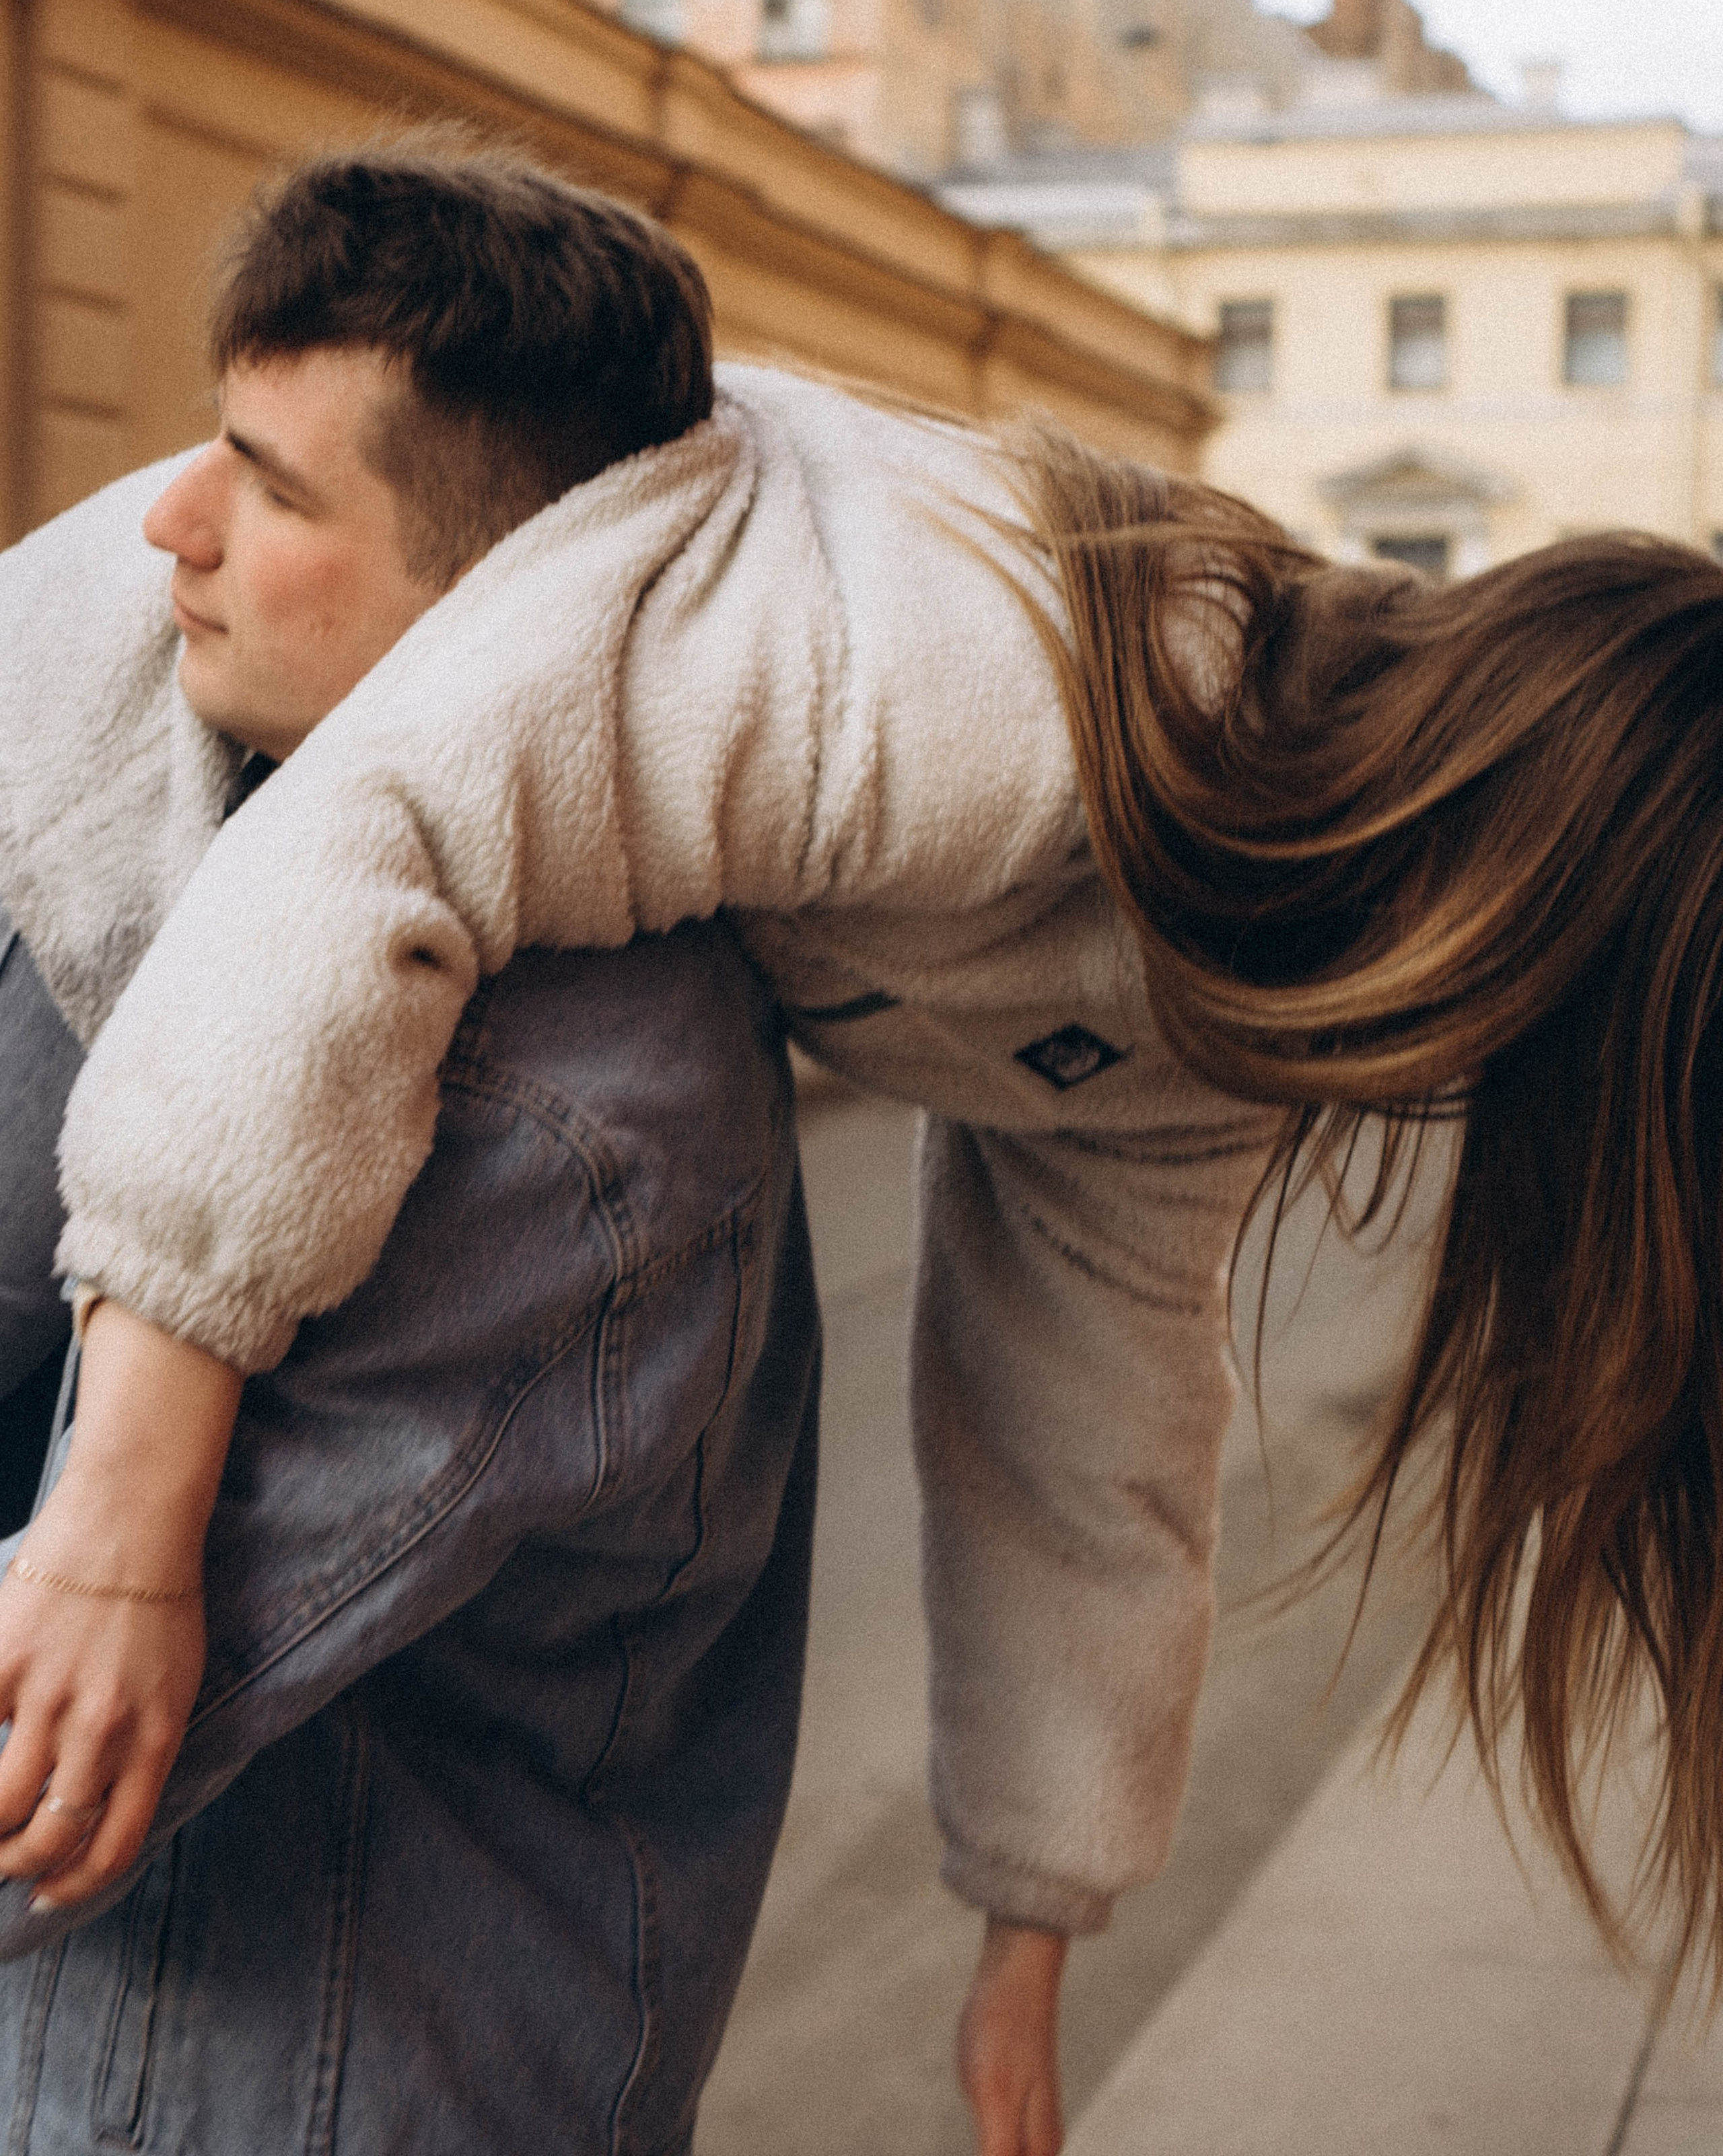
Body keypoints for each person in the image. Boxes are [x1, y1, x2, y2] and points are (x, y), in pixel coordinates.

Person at [11, 133, 1723, 2139]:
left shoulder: (1213, 948)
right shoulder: (977, 679)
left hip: (261, 862)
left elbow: (1092, 1396)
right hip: (93, 787)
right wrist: (128, 1525)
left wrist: (1036, 1914)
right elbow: (379, 831)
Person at [0, 179, 821, 2151]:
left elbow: (45, 1775)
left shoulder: (565, 1107)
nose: (168, 524)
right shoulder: (191, 845)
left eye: (274, 494)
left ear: (498, 620)